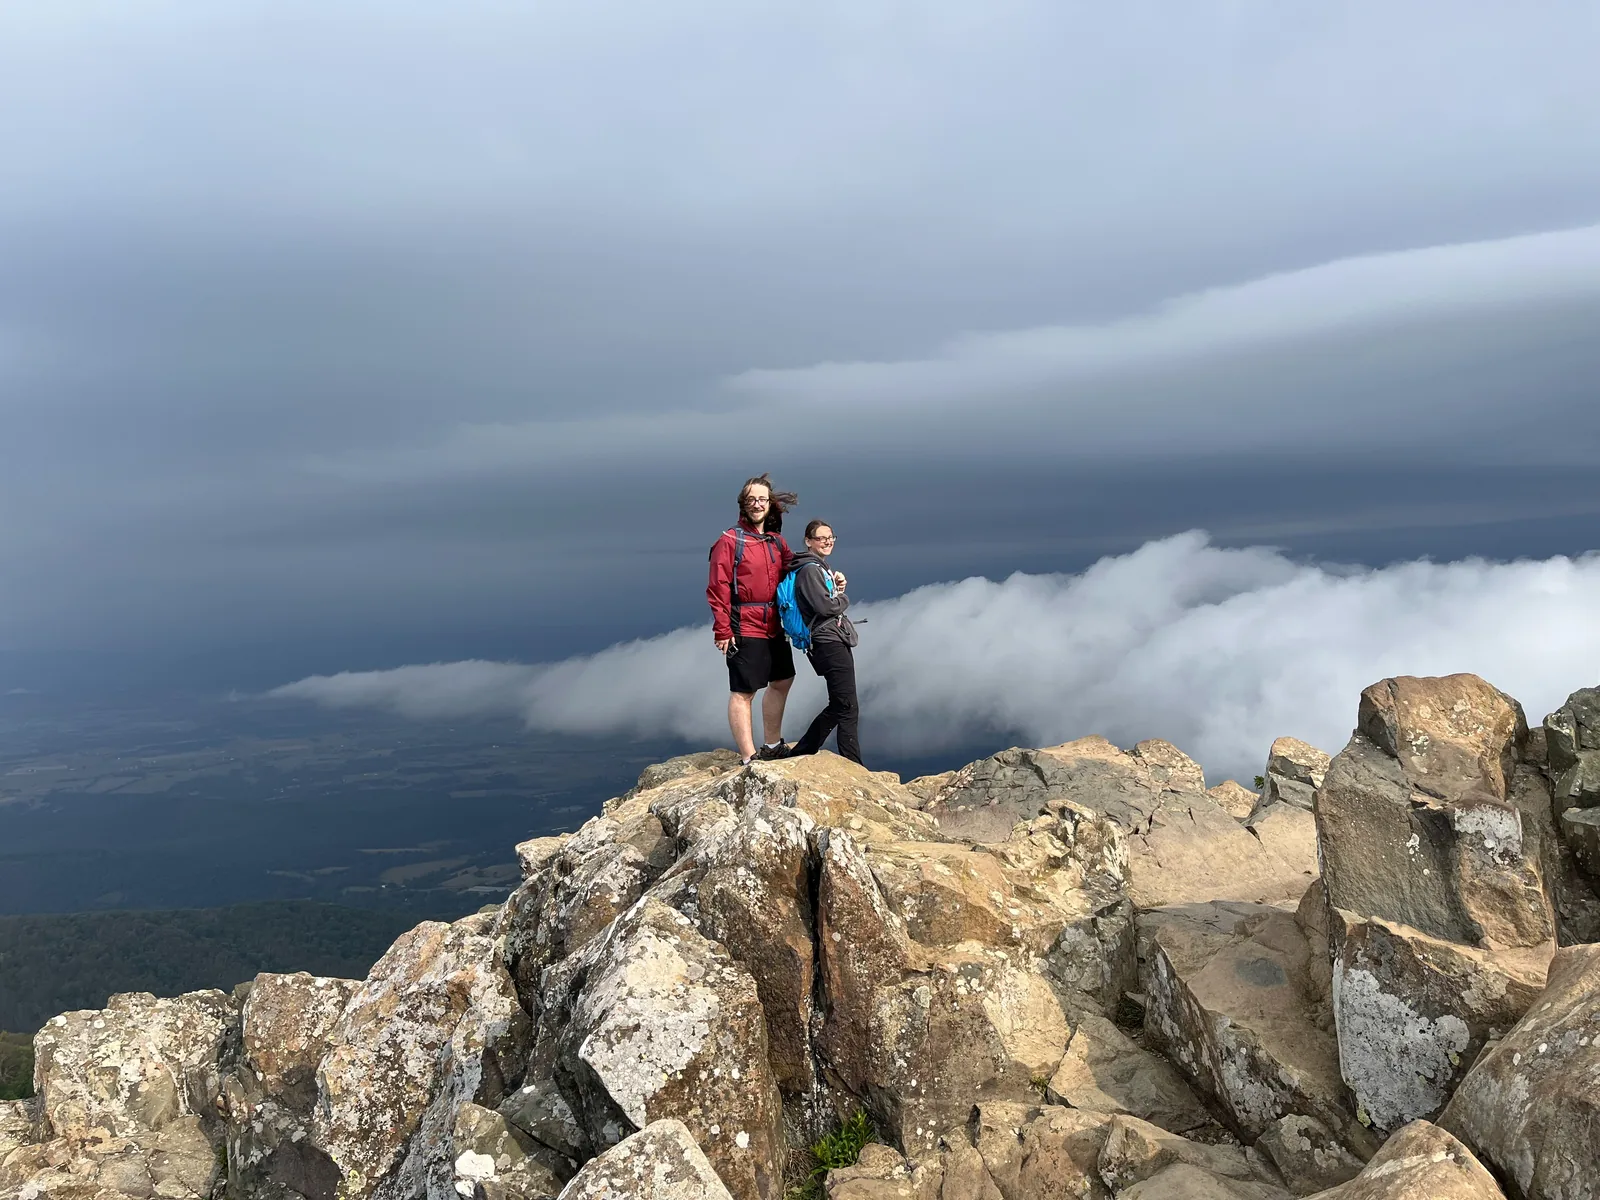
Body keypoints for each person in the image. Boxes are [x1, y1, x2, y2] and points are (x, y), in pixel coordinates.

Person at [707, 474, 798, 764]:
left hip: (774, 624)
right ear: (743, 505)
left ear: (770, 504)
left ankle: (772, 745)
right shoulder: (730, 540)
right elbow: (717, 586)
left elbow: (795, 569)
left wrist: (829, 576)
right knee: (744, 691)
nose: (757, 504)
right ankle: (749, 757)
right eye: (751, 500)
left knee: (783, 679)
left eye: (762, 499)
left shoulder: (775, 541)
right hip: (744, 624)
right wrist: (723, 629)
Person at [786, 519, 862, 765]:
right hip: (828, 642)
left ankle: (803, 750)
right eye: (821, 538)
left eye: (831, 537)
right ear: (808, 541)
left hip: (827, 640)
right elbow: (824, 606)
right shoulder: (810, 570)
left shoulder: (817, 568)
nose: (828, 541)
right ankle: (853, 766)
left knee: (840, 703)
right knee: (847, 705)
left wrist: (836, 589)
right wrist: (844, 599)